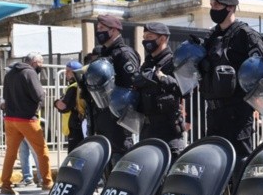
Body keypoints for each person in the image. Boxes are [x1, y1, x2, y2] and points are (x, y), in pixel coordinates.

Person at [198, 0, 263, 195]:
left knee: (241, 167)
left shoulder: (246, 35)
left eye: (216, 6)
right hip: (214, 111)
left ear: (229, 7)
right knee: (220, 169)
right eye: (211, 5)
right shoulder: (212, 36)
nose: (212, 10)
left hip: (238, 112)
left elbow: (259, 72)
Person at [87, 15, 141, 167]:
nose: (99, 32)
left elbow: (133, 85)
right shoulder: (104, 53)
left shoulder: (124, 54)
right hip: (103, 115)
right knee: (106, 161)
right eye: (98, 29)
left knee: (120, 160)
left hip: (118, 118)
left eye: (102, 29)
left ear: (114, 30)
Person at [0, 52, 53, 195]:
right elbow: (38, 95)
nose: (41, 66)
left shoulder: (10, 74)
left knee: (10, 154)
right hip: (27, 119)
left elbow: (5, 97)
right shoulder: (30, 73)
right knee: (42, 151)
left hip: (10, 119)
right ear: (35, 62)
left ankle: (5, 185)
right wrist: (43, 96)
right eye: (41, 63)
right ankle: (47, 183)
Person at [132, 22, 186, 162]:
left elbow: (184, 89)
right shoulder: (147, 63)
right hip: (147, 129)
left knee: (170, 178)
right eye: (144, 37)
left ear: (162, 39)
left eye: (149, 37)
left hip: (168, 130)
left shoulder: (174, 61)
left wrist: (162, 78)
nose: (145, 41)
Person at [54, 60, 86, 153]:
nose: (66, 73)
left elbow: (64, 106)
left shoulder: (73, 87)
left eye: (68, 71)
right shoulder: (79, 85)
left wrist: (56, 102)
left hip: (75, 124)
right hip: (79, 123)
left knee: (74, 154)